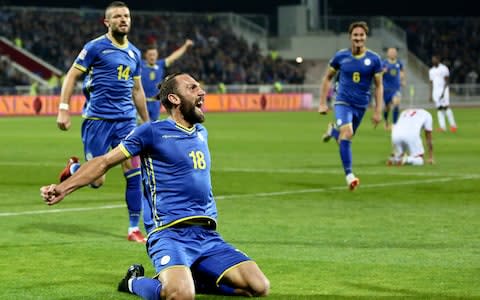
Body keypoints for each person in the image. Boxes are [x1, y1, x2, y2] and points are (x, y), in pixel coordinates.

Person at [41, 72, 270, 299]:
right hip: (169, 234)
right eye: (192, 88)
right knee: (180, 296)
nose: (202, 92)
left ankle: (193, 279)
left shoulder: (201, 133)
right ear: (174, 98)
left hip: (207, 235)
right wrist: (64, 187)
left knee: (258, 287)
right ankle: (133, 282)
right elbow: (104, 162)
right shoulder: (151, 132)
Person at [56, 1, 150, 243]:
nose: (123, 19)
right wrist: (64, 108)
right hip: (97, 120)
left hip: (126, 121)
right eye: (117, 16)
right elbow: (72, 75)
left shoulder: (135, 53)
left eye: (126, 15)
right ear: (107, 22)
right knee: (97, 180)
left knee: (134, 172)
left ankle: (133, 228)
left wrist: (147, 123)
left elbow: (137, 90)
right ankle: (75, 169)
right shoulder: (95, 47)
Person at [318, 21, 383, 191]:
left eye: (361, 35)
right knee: (347, 133)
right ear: (350, 37)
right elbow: (327, 78)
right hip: (342, 102)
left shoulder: (374, 59)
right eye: (355, 35)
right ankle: (349, 176)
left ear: (365, 37)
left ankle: (333, 131)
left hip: (361, 106)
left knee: (344, 138)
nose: (358, 38)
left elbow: (379, 86)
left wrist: (378, 110)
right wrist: (323, 103)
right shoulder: (341, 56)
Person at [142, 39, 194, 121]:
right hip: (143, 102)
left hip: (156, 103)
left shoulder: (160, 65)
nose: (152, 57)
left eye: (154, 54)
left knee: (153, 126)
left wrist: (185, 46)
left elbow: (174, 56)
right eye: (150, 55)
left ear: (157, 55)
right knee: (141, 126)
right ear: (146, 55)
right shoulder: (140, 65)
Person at [429, 55, 457, 132]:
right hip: (435, 92)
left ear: (438, 60)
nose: (433, 61)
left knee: (446, 107)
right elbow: (431, 83)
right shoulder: (431, 71)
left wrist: (444, 92)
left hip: (443, 90)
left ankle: (453, 126)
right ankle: (442, 127)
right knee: (439, 109)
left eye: (435, 59)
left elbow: (447, 80)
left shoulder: (444, 68)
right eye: (432, 60)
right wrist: (430, 95)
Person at [382, 47, 406, 130]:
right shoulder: (384, 63)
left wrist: (403, 80)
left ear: (396, 53)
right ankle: (385, 121)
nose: (392, 53)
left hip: (396, 88)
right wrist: (382, 72)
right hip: (386, 89)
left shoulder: (399, 63)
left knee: (396, 103)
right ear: (388, 53)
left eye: (394, 52)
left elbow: (402, 71)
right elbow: (378, 74)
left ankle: (395, 124)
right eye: (391, 52)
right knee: (387, 107)